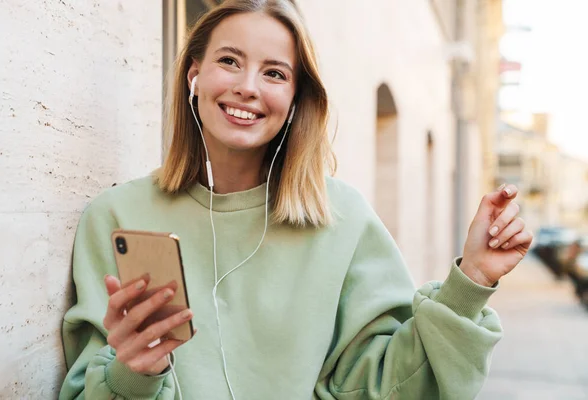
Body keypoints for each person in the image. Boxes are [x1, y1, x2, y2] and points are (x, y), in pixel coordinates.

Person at [59, 1, 534, 399]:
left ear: (294, 99)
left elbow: (392, 386)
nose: (248, 85)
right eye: (229, 61)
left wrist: (472, 279)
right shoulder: (117, 216)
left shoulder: (342, 219)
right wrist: (134, 373)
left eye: (274, 72)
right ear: (194, 77)